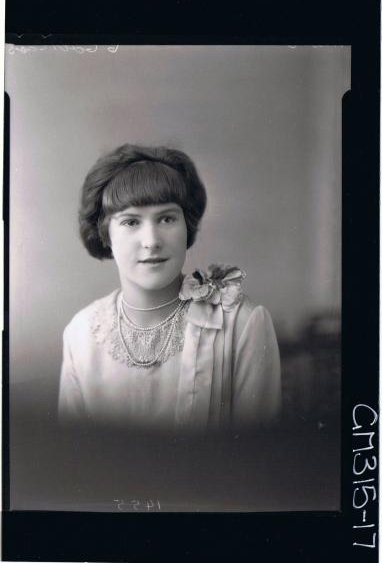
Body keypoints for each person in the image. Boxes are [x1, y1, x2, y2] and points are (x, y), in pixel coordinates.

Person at [58, 144, 281, 432]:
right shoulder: (82, 333)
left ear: (186, 226)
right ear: (105, 234)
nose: (151, 240)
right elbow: (74, 462)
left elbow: (257, 459)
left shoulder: (243, 324)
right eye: (130, 221)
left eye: (167, 218)